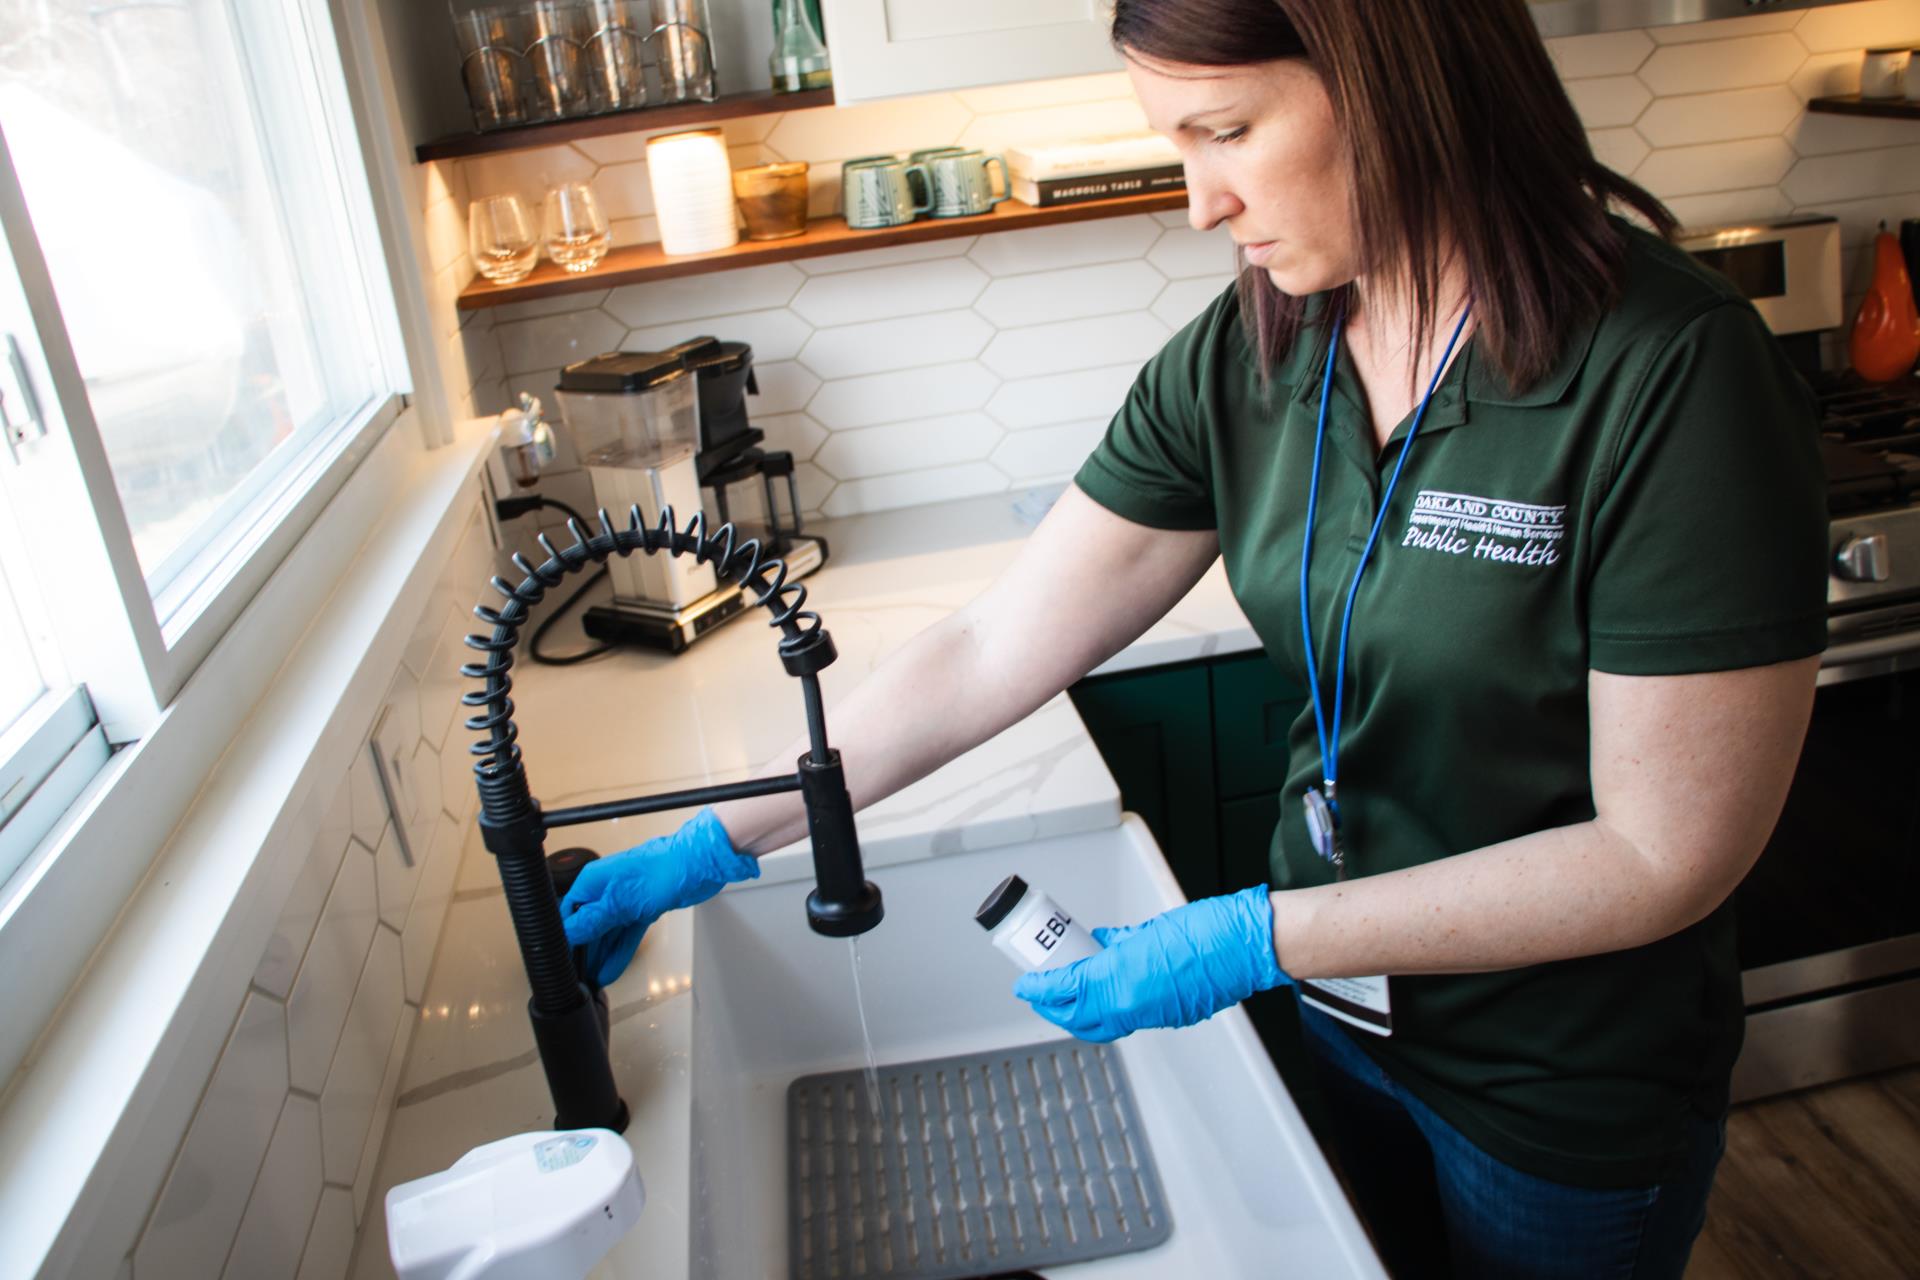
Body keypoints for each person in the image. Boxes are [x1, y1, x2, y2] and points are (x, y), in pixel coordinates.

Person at [558, 1, 1828, 1275]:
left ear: (1400, 78)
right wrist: (722, 834)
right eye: (1176, 144)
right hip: (1332, 1020)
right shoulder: (1259, 348)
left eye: (1225, 131)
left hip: (1559, 1087)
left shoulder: (1672, 371)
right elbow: (993, 642)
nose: (1200, 204)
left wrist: (1250, 935)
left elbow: (1666, 853)